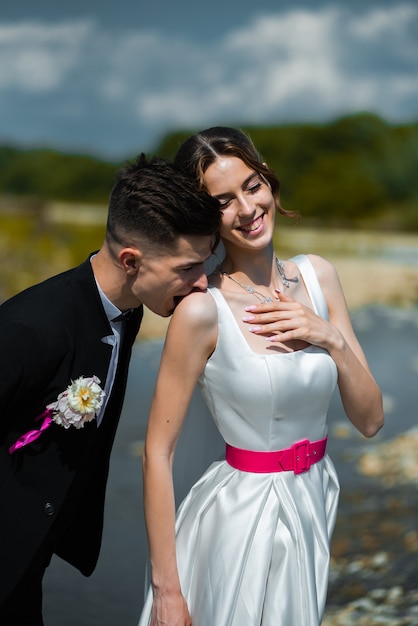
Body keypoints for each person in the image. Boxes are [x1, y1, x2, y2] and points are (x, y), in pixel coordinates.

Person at [138, 128, 384, 626]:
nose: (247, 209)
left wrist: (329, 337)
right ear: (206, 215)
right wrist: (168, 591)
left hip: (314, 498)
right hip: (242, 517)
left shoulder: (319, 276)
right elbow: (157, 454)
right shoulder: (201, 312)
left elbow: (371, 420)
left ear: (269, 181)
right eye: (223, 200)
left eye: (252, 186)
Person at [0, 154, 221, 625]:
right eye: (187, 268)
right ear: (131, 261)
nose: (201, 283)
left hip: (29, 561)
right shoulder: (31, 328)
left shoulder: (132, 307)